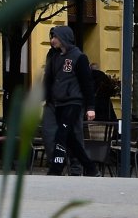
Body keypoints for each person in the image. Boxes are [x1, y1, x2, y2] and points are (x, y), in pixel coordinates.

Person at [41, 25, 100, 177]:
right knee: (56, 135)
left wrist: (90, 106)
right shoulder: (53, 56)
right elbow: (48, 78)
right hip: (54, 102)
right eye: (51, 37)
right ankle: (90, 167)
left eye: (55, 37)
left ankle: (63, 169)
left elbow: (87, 83)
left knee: (67, 134)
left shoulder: (79, 57)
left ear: (64, 38)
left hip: (73, 102)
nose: (52, 40)